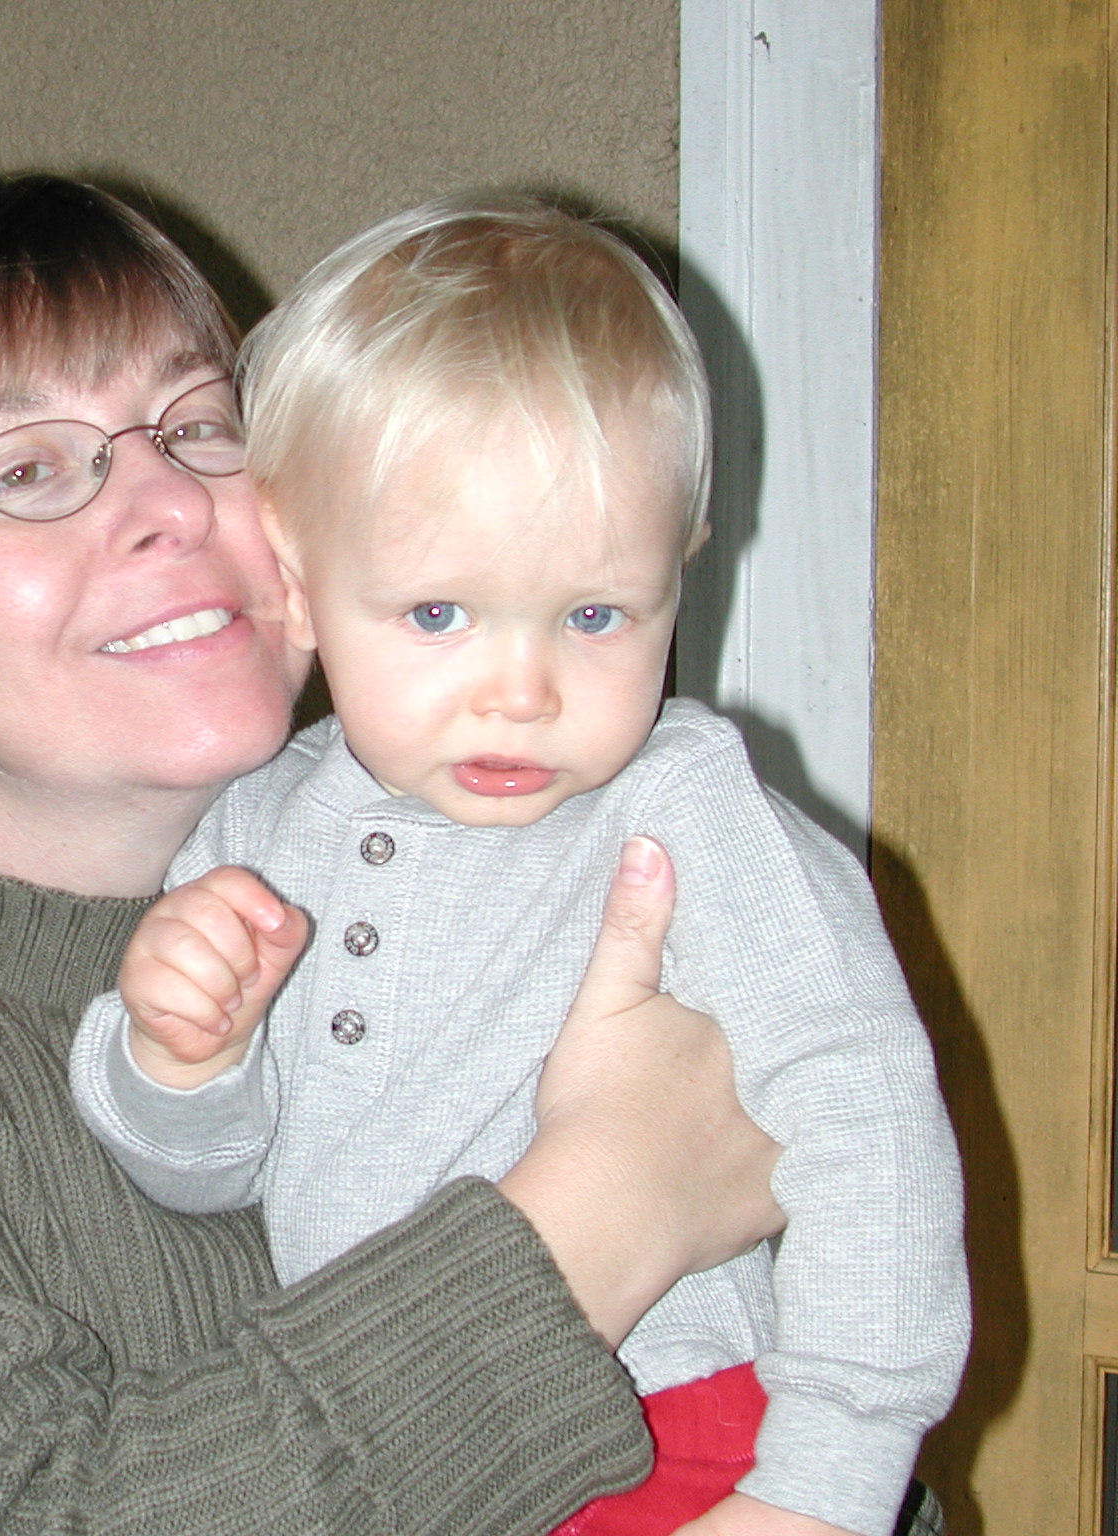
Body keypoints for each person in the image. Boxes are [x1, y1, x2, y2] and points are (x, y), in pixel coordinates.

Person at [0, 174, 787, 1536]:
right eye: (24, 469)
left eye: (201, 426)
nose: (170, 500)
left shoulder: (522, 903)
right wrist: (608, 1211)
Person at [68, 197, 967, 1536]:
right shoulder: (254, 831)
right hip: (412, 1458)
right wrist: (178, 1061)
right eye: (439, 613)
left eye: (595, 615)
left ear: (679, 575)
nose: (522, 691)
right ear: (298, 588)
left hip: (677, 1437)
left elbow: (869, 1117)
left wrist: (831, 1480)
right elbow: (209, 1178)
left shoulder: (691, 810)